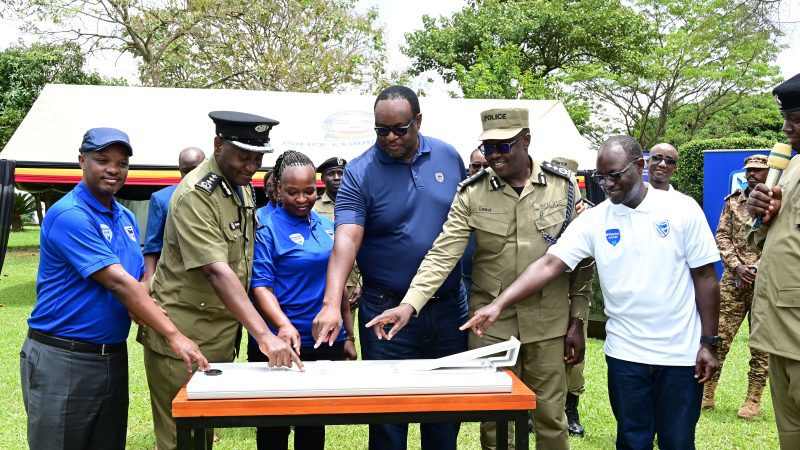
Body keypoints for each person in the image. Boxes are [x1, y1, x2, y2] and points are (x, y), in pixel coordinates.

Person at [464, 135, 721, 450]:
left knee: (678, 441)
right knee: (632, 439)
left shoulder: (681, 209)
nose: (608, 184)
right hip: (626, 354)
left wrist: (709, 343)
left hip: (679, 354)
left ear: (639, 167)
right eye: (602, 177)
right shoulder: (596, 220)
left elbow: (706, 277)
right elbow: (548, 264)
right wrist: (499, 304)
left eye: (615, 175)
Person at [365, 108, 593, 450]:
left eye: (503, 147)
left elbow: (581, 262)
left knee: (550, 415)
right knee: (496, 418)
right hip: (492, 325)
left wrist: (578, 319)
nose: (494, 156)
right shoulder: (472, 192)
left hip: (549, 321)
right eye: (488, 148)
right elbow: (443, 254)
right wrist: (409, 306)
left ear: (526, 142)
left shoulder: (562, 188)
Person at [20, 127, 209, 450]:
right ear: (82, 161)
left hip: (111, 358)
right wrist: (173, 334)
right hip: (64, 358)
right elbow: (119, 283)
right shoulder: (70, 214)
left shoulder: (124, 217)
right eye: (103, 160)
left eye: (122, 163)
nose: (113, 169)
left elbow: (139, 284)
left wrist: (152, 305)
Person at [311, 85, 468, 450]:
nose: (391, 138)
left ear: (419, 121)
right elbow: (346, 240)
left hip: (447, 307)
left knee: (444, 414)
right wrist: (331, 303)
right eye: (382, 131)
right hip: (384, 310)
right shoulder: (360, 172)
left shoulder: (448, 157)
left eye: (400, 129)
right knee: (387, 419)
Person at [137, 111, 303, 450]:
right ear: (218, 145)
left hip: (220, 336)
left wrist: (277, 321)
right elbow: (217, 270)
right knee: (178, 439)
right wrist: (264, 336)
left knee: (202, 435)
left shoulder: (238, 186)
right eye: (243, 155)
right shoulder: (196, 194)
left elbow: (244, 260)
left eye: (257, 157)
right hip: (183, 337)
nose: (251, 165)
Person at [249, 150, 356, 449]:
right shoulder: (264, 225)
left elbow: (337, 282)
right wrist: (282, 326)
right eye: (292, 192)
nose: (302, 198)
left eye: (309, 191)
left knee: (313, 428)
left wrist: (349, 336)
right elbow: (260, 286)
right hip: (278, 344)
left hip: (322, 342)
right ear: (278, 190)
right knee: (274, 429)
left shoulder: (325, 224)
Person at [745, 72, 800, 449]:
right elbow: (770, 240)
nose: (786, 127)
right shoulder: (793, 167)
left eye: (796, 117)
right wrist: (763, 216)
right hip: (780, 331)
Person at [703, 154, 769, 419]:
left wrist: (758, 268)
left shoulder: (777, 202)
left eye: (758, 171)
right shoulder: (733, 202)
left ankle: (753, 399)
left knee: (761, 343)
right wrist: (737, 266)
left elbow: (781, 240)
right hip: (733, 280)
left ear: (768, 174)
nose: (752, 175)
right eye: (749, 171)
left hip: (765, 282)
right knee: (718, 338)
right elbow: (722, 236)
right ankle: (707, 392)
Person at [551, 156, 594, 438]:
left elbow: (585, 272)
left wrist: (577, 316)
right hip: (543, 293)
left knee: (573, 358)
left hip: (575, 290)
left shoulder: (586, 213)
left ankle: (571, 408)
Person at [143, 146, 205, 280]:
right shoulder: (162, 199)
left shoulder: (220, 196)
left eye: (195, 169)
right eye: (185, 171)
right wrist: (150, 284)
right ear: (180, 170)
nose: (190, 176)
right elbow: (152, 247)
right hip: (174, 279)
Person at [313, 156, 361, 310]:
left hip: (352, 279)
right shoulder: (313, 206)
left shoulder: (359, 204)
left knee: (347, 330)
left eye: (341, 173)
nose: (336, 178)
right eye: (331, 174)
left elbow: (368, 244)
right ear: (322, 178)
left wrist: (362, 283)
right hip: (322, 277)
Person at [461, 148, 487, 296]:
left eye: (486, 166)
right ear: (469, 167)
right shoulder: (459, 193)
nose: (481, 170)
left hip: (490, 279)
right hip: (463, 278)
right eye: (476, 165)